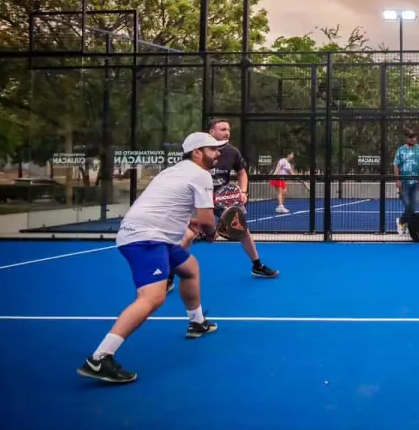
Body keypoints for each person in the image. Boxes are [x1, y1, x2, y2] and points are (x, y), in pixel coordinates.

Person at [76, 132, 223, 384]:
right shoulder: (201, 174)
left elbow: (159, 204)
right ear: (197, 152)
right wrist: (211, 232)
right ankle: (100, 358)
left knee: (189, 268)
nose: (218, 153)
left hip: (151, 235)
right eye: (213, 149)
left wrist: (191, 222)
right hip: (147, 238)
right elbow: (209, 221)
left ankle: (197, 322)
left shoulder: (171, 172)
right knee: (152, 299)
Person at [169, 119, 278, 292]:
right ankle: (169, 276)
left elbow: (242, 173)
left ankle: (257, 265)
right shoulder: (196, 153)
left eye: (228, 129)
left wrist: (243, 192)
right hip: (197, 198)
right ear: (211, 132)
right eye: (222, 129)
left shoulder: (232, 152)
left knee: (243, 230)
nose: (227, 132)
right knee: (187, 236)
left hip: (222, 199)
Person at [393, 130, 419, 235]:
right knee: (408, 204)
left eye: (414, 136)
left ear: (416, 138)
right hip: (404, 182)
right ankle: (408, 225)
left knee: (415, 204)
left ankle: (401, 221)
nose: (412, 139)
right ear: (406, 138)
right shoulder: (400, 150)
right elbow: (396, 165)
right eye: (410, 137)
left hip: (417, 182)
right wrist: (397, 180)